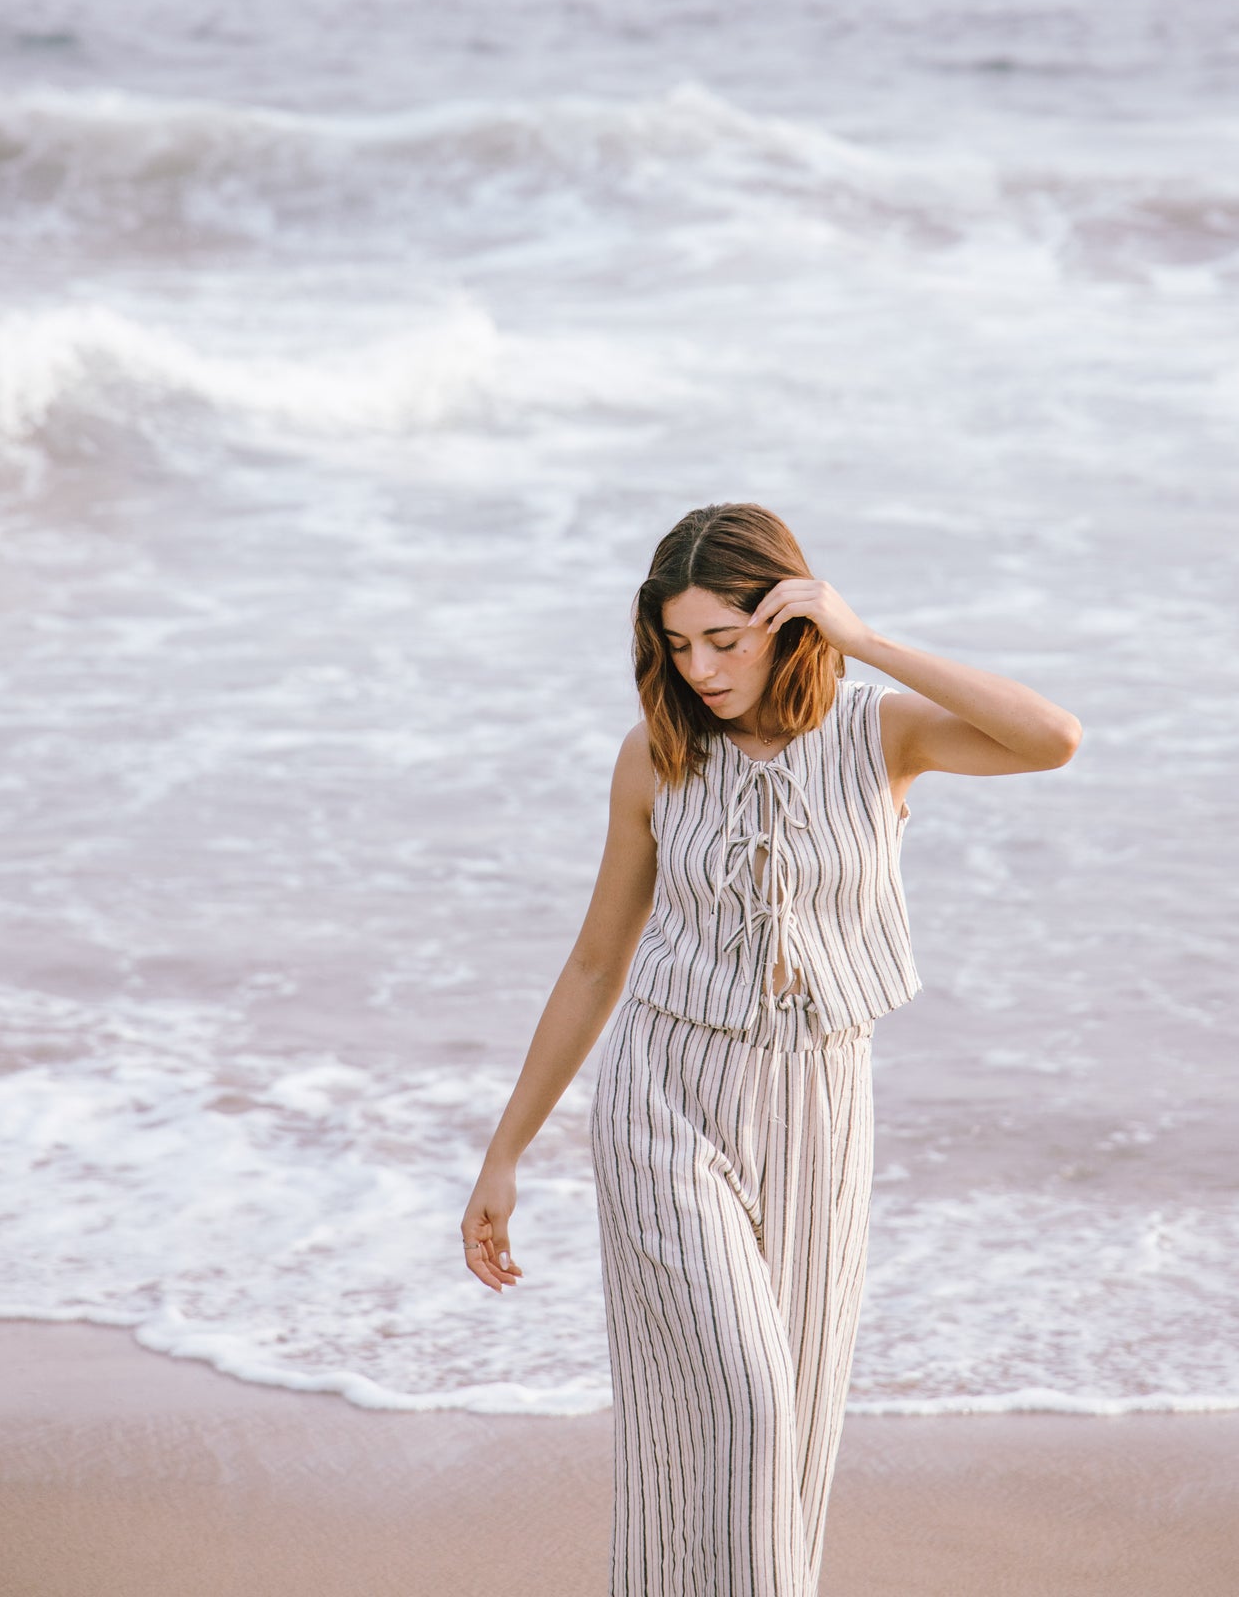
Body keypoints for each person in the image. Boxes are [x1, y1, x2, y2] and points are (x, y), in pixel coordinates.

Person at [460, 502, 1082, 1596]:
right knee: (740, 1401)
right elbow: (598, 964)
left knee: (786, 1438)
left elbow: (1052, 739)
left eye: (723, 639)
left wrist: (865, 639)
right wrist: (503, 1154)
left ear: (787, 620)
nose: (697, 668)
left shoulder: (880, 732)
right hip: (664, 1099)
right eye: (675, 644)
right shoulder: (654, 760)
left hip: (822, 1105)